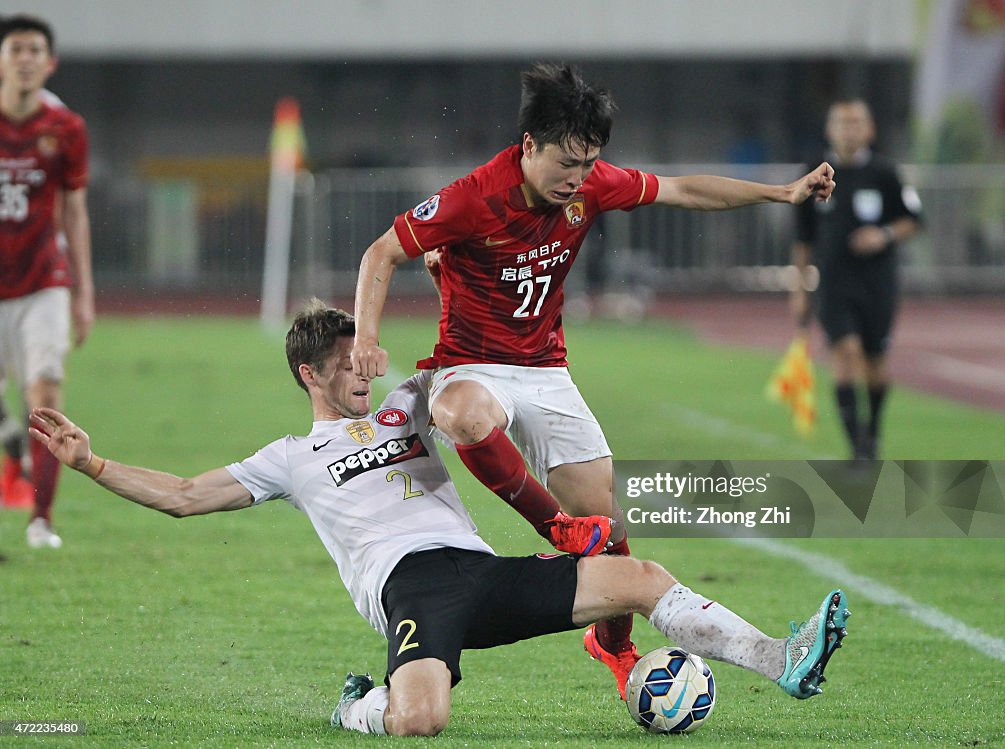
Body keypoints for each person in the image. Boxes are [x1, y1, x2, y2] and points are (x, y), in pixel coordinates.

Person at [29, 299, 851, 737]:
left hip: (478, 568)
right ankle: (358, 704)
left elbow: (468, 384)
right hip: (412, 589)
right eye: (349, 365)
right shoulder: (289, 455)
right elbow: (181, 492)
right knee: (419, 719)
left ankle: (780, 656)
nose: (366, 370)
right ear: (311, 375)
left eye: (367, 357)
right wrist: (94, 464)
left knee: (639, 576)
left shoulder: (405, 403)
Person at [351, 62, 836, 697]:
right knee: (465, 413)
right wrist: (365, 339)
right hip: (470, 366)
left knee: (612, 533)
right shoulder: (473, 196)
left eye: (587, 164)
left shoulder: (590, 185)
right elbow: (381, 251)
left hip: (546, 371)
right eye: (563, 164)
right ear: (528, 146)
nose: (575, 180)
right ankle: (556, 529)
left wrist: (781, 192)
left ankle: (615, 646)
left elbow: (685, 190)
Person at [0, 14, 94, 546]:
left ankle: (41, 517)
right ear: (2, 60)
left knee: (44, 388)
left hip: (43, 280)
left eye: (36, 49)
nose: (27, 58)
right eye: (16, 48)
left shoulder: (65, 128)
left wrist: (84, 292)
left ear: (49, 62)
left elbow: (75, 212)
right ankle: (10, 440)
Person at [791, 98, 922, 460]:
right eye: (841, 123)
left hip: (878, 282)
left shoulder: (885, 172)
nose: (849, 130)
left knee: (875, 360)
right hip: (834, 282)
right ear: (829, 129)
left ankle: (874, 432)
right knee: (845, 353)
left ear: (869, 129)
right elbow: (802, 238)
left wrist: (884, 235)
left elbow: (913, 219)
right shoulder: (815, 174)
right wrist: (800, 287)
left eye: (856, 123)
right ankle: (857, 446)